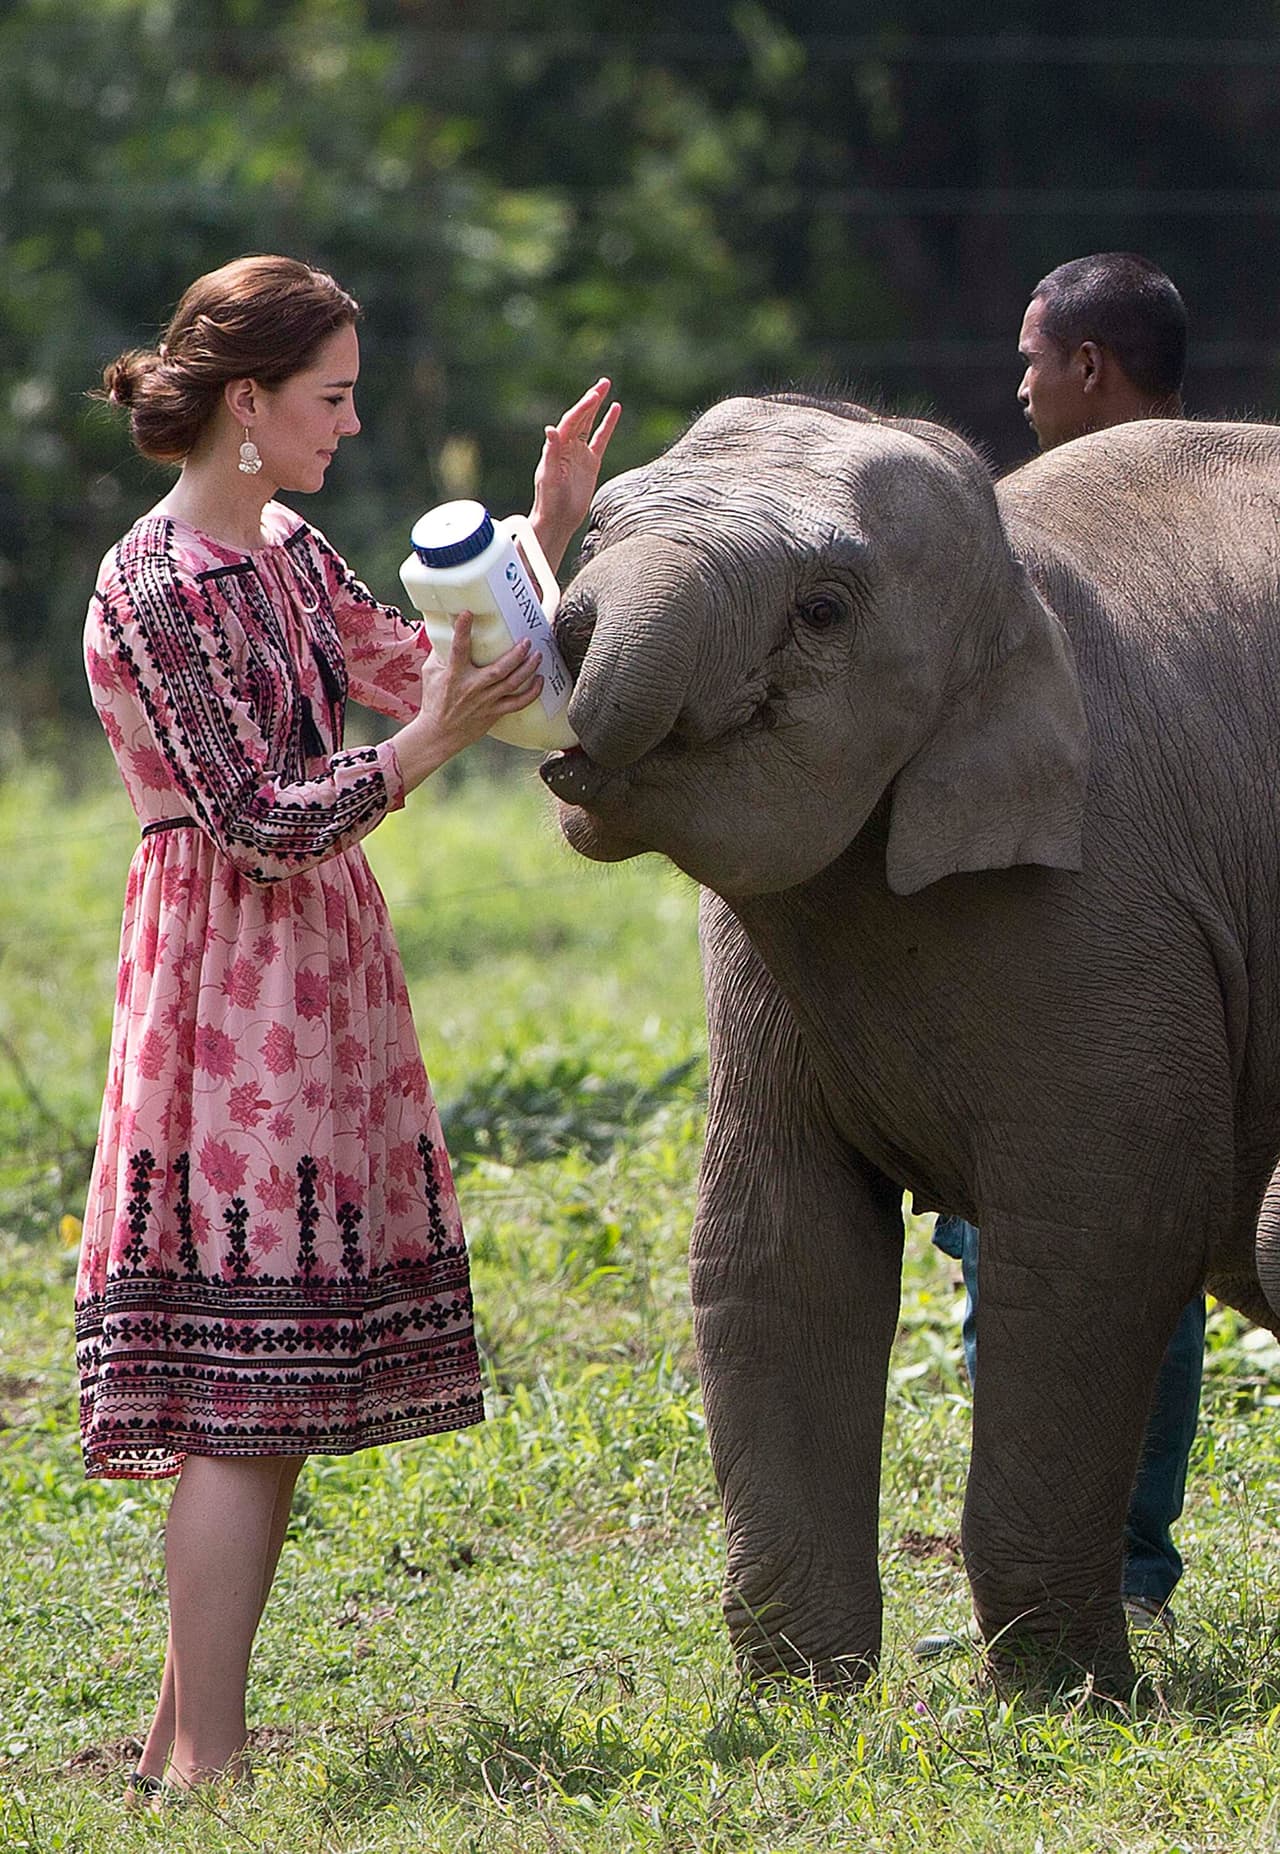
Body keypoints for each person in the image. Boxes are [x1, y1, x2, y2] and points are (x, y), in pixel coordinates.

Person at [77, 253, 618, 1801]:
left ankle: (186, 1745)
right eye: (332, 395)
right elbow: (253, 816)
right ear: (246, 404)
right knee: (241, 1390)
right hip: (227, 984)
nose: (354, 421)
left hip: (308, 974)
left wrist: (545, 532)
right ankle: (209, 1774)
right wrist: (426, 750)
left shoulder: (292, 552)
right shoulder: (157, 582)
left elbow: (435, 667)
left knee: (272, 1383)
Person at [919, 253, 1203, 1657]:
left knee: (1033, 1265)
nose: (1016, 385)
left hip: (1072, 968)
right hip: (1191, 956)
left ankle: (1088, 1572)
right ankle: (1122, 1565)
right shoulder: (1224, 509)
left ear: (1088, 366)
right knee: (1173, 1255)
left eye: (1032, 357)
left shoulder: (1037, 536)